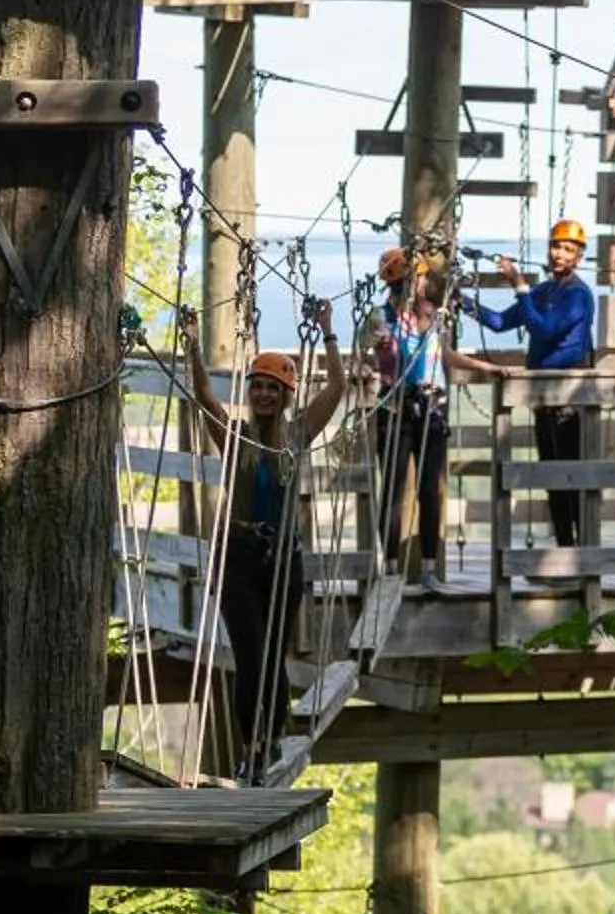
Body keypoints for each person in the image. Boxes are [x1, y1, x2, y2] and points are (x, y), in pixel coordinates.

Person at [183, 306, 344, 781]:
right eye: (258, 386)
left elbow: (336, 388)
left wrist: (330, 332)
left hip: (282, 560)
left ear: (288, 395)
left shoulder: (298, 435)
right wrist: (193, 345)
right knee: (250, 652)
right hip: (238, 556)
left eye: (274, 387)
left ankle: (272, 736)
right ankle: (252, 746)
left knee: (274, 653)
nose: (264, 394)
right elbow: (203, 398)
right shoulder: (236, 437)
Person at [461, 220, 597, 544]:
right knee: (552, 473)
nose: (559, 254)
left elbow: (545, 329)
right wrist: (460, 300)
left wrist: (519, 285)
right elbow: (499, 322)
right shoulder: (545, 291)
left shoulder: (579, 296)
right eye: (556, 247)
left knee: (570, 474)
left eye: (567, 249)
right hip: (543, 394)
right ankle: (566, 546)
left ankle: (581, 551)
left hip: (570, 395)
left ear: (578, 257)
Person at [369, 247, 454, 585]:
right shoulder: (380, 318)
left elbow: (442, 357)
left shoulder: (435, 316)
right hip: (395, 409)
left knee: (429, 489)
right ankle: (390, 567)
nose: (417, 286)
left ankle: (429, 567)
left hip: (431, 409)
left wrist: (485, 367)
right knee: (393, 489)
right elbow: (370, 357)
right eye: (412, 280)